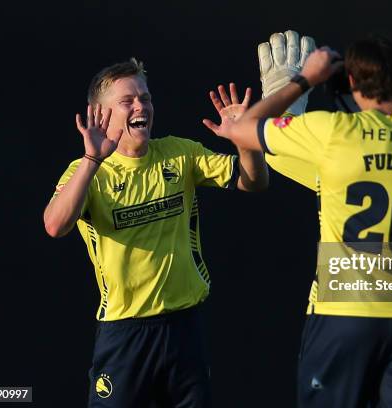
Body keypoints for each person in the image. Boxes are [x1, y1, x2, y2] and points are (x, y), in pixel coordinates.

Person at [209, 34, 392, 407]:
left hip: (344, 314)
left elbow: (245, 130)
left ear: (351, 83)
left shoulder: (335, 138)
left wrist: (300, 82)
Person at [43, 58, 267, 408]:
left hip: (183, 329)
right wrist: (91, 160)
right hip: (125, 334)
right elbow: (56, 225)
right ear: (100, 113)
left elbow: (254, 181)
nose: (140, 106)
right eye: (127, 100)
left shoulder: (180, 154)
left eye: (145, 98)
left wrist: (247, 139)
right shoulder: (88, 171)